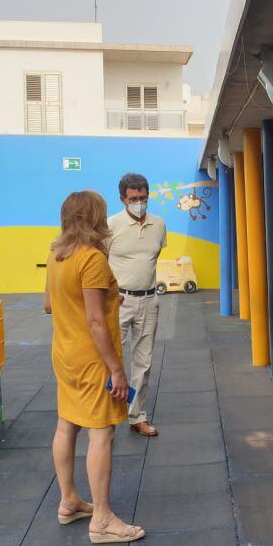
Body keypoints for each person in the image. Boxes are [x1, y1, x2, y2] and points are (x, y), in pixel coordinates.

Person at [43, 191, 145, 544]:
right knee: (102, 432)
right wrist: (116, 370)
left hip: (65, 354)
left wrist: (103, 297)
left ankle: (69, 500)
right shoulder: (92, 259)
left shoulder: (57, 255)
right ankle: (101, 519)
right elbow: (95, 322)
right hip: (91, 359)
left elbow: (48, 305)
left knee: (66, 424)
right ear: (95, 219)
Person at [107, 172, 167, 438]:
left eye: (143, 198)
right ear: (123, 199)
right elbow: (99, 263)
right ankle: (106, 416)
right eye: (133, 198)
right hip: (118, 300)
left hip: (149, 299)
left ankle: (136, 416)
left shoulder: (159, 225)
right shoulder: (110, 227)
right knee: (110, 360)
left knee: (143, 363)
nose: (139, 203)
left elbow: (152, 257)